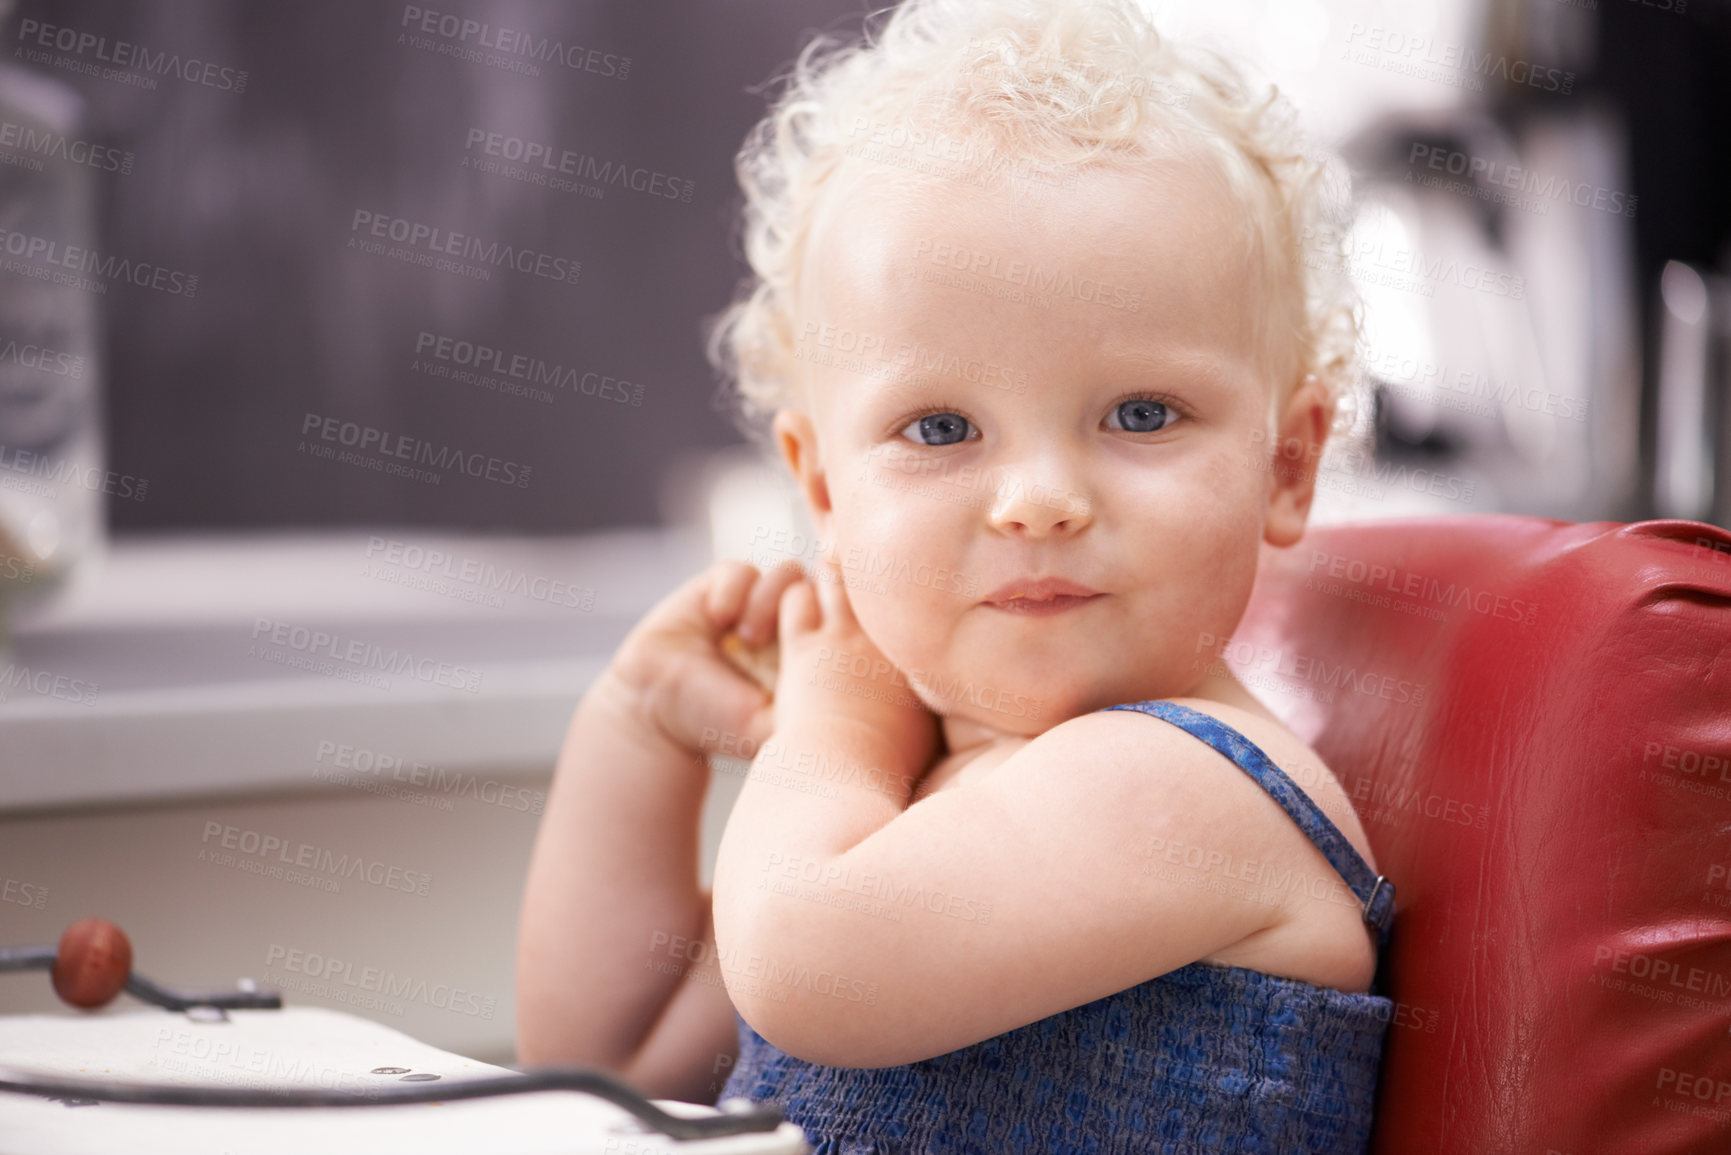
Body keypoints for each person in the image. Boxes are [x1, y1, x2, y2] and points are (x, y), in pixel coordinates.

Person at [517, 0, 1395, 1150]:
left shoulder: (1192, 789)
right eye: (939, 429)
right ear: (824, 492)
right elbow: (606, 1068)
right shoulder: (895, 791)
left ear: (1286, 465)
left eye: (1140, 413)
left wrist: (831, 712)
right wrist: (637, 732)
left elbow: (805, 967)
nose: (1037, 498)